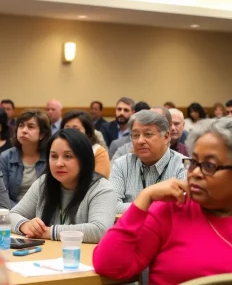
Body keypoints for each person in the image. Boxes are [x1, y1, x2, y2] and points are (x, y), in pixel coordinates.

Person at [93, 118, 232, 285]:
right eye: (193, 162)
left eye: (209, 166)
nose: (195, 173)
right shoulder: (171, 210)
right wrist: (145, 197)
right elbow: (108, 265)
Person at [10, 129, 116, 244]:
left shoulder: (102, 188)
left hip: (82, 258)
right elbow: (11, 216)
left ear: (84, 159)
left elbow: (100, 230)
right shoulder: (43, 183)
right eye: (54, 156)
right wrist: (25, 225)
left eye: (68, 156)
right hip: (46, 257)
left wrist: (48, 232)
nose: (59, 163)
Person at [110, 110, 186, 214]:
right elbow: (111, 206)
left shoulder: (182, 165)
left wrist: (139, 205)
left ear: (166, 136)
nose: (140, 141)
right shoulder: (122, 164)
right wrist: (155, 205)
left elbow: (181, 208)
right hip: (131, 229)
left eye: (148, 134)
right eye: (135, 135)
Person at [0, 110, 51, 206]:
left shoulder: (50, 157)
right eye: (21, 126)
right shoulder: (6, 157)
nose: (24, 131)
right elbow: (2, 195)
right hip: (13, 210)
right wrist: (20, 214)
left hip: (42, 212)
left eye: (31, 127)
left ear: (42, 134)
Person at [61, 111, 110, 178]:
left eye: (76, 129)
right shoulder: (58, 149)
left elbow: (99, 182)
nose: (70, 133)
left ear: (87, 133)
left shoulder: (98, 152)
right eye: (67, 128)